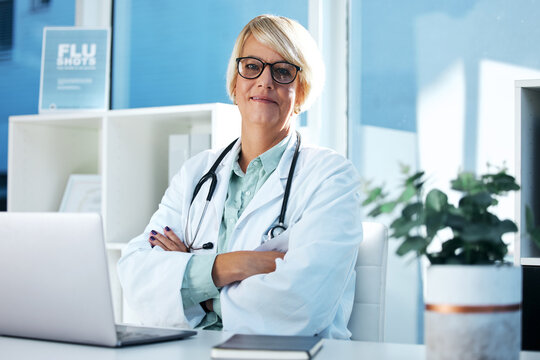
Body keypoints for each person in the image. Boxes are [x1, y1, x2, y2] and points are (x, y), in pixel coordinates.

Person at [118, 14, 362, 339]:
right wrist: (234, 265)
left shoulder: (331, 177)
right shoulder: (196, 173)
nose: (265, 81)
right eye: (251, 67)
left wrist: (193, 284)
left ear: (301, 92)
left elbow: (300, 306)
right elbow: (136, 275)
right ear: (235, 84)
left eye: (283, 71)